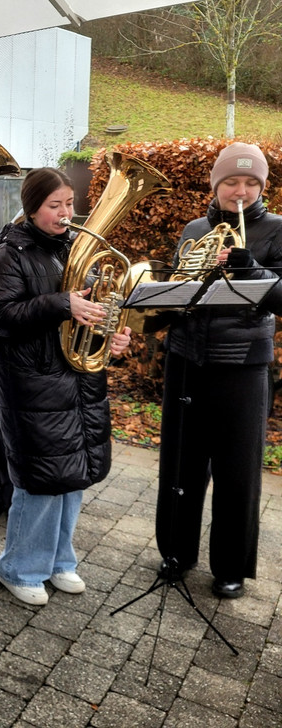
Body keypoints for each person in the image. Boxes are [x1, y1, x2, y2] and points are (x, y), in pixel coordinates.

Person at [0, 167, 131, 606]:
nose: (66, 213)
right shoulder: (10, 257)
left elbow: (92, 311)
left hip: (76, 380)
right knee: (40, 480)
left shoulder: (74, 252)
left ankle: (58, 560)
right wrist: (63, 302)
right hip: (34, 385)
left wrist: (110, 333)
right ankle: (18, 567)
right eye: (54, 206)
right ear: (32, 208)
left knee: (73, 477)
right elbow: (3, 317)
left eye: (69, 204)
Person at [155, 142, 282, 599]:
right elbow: (178, 289)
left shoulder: (276, 230)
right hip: (187, 359)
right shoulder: (194, 228)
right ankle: (176, 553)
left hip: (243, 366)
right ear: (216, 184)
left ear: (262, 187)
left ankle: (230, 567)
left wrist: (253, 273)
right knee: (180, 465)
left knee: (237, 472)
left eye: (251, 183)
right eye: (232, 182)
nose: (241, 191)